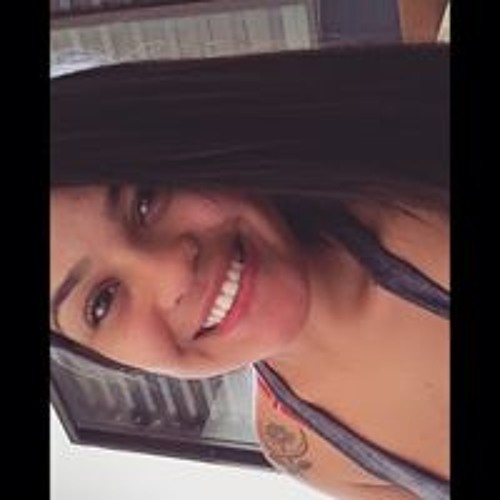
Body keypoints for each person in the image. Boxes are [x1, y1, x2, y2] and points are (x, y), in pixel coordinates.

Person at [51, 41, 449, 499]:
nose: (170, 274)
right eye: (102, 303)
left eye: (146, 200)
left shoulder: (419, 184)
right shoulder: (308, 450)